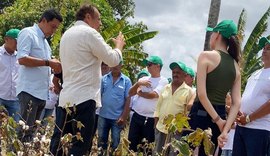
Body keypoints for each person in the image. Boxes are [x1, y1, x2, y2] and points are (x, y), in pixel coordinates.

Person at [50, 4, 125, 156]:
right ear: (88, 17)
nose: (100, 24)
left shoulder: (66, 34)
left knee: (61, 145)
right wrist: (118, 47)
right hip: (84, 98)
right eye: (98, 19)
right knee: (80, 145)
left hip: (66, 99)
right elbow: (112, 60)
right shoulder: (90, 33)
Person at [188, 20, 241, 156]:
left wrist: (218, 121)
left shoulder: (206, 56)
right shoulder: (236, 65)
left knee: (187, 151)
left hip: (201, 113)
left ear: (217, 34)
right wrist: (224, 128)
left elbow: (202, 94)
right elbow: (236, 103)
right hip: (221, 115)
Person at [16, 9, 62, 142]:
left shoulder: (45, 42)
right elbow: (22, 59)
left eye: (56, 28)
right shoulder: (28, 33)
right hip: (29, 91)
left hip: (41, 94)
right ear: (43, 21)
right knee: (23, 132)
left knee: (31, 134)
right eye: (53, 26)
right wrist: (48, 62)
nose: (53, 31)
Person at [232, 37, 270, 156]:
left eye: (269, 49)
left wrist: (249, 118)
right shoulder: (255, 73)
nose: (264, 50)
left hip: (260, 129)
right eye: (264, 48)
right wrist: (238, 112)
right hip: (241, 127)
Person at [128, 55, 168, 152]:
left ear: (158, 66)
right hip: (137, 117)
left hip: (150, 119)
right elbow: (130, 93)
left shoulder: (163, 81)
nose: (147, 67)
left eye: (149, 64)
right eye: (147, 65)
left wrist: (140, 93)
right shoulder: (144, 79)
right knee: (131, 145)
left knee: (146, 148)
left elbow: (153, 95)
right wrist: (138, 84)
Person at [153, 61, 193, 154]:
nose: (175, 74)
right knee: (158, 153)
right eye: (173, 72)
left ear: (185, 75)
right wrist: (155, 125)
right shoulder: (165, 88)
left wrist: (181, 129)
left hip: (176, 131)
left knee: (172, 154)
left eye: (178, 72)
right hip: (161, 128)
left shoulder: (189, 91)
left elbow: (187, 114)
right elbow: (158, 108)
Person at [98, 62, 132, 153]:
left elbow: (128, 100)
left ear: (121, 65)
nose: (115, 66)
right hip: (103, 116)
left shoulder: (126, 81)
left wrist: (123, 117)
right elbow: (99, 95)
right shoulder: (104, 79)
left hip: (117, 119)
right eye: (113, 63)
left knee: (115, 143)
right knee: (101, 142)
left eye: (118, 64)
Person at [0, 28, 20, 122]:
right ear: (6, 39)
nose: (17, 44)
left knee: (15, 129)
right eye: (15, 41)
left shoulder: (20, 57)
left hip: (15, 99)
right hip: (1, 97)